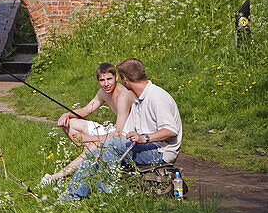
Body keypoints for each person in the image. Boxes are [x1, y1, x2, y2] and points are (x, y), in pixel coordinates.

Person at [62, 58, 182, 200]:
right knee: (101, 149)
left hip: (162, 151)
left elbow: (171, 130)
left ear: (124, 79)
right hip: (144, 147)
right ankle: (70, 198)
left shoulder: (156, 97)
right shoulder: (138, 99)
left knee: (110, 145)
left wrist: (144, 138)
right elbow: (122, 134)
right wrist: (97, 144)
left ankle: (105, 197)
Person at [41, 63, 134, 185]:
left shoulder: (123, 96)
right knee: (69, 123)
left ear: (116, 77)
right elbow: (86, 110)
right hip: (113, 129)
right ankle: (89, 155)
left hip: (126, 135)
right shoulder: (103, 92)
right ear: (98, 80)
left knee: (93, 146)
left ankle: (56, 177)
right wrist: (67, 115)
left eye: (109, 79)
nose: (106, 84)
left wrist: (90, 139)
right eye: (102, 80)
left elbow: (119, 133)